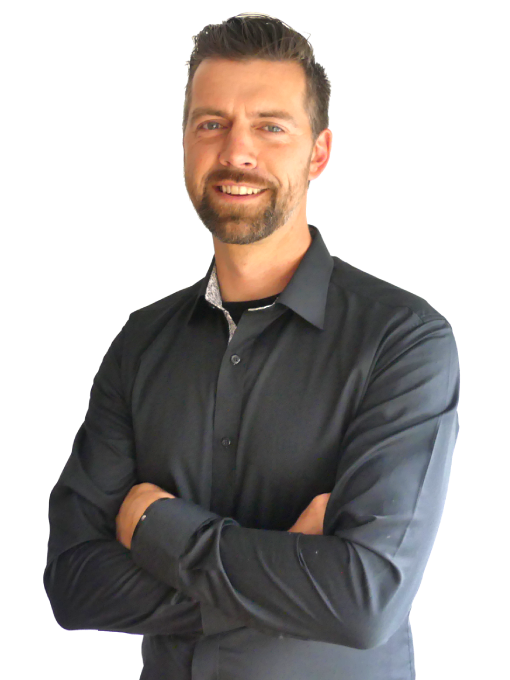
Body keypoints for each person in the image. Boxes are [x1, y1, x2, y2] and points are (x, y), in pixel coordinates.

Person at [44, 13, 460, 680]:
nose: (237, 152)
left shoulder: (402, 340)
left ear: (318, 153)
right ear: (186, 140)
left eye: (270, 127)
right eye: (212, 123)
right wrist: (287, 579)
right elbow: (74, 583)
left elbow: (361, 600)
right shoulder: (142, 342)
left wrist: (155, 525)